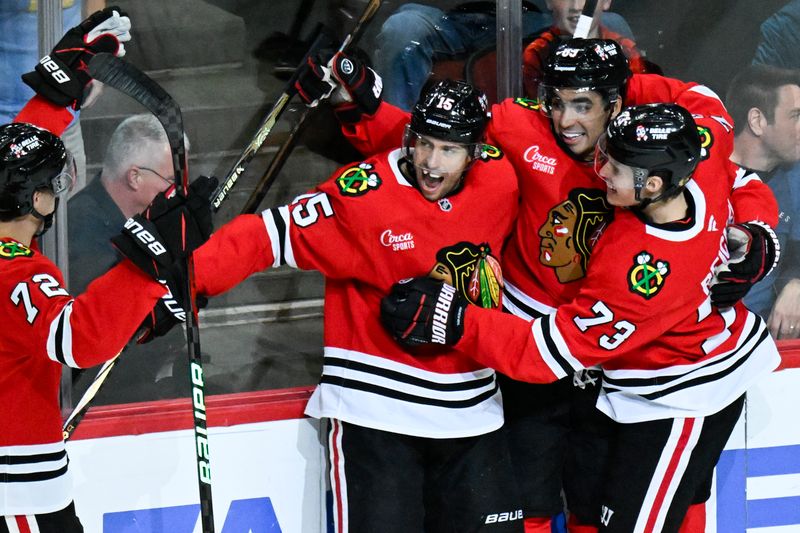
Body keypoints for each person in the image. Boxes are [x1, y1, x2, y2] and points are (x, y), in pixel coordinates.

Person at [295, 39, 780, 532]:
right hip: (537, 336)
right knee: (530, 497)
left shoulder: (651, 181)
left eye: (584, 103)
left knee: (609, 502)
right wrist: (360, 103)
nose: (566, 120)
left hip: (609, 355)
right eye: (557, 100)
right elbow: (440, 146)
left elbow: (736, 180)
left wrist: (756, 232)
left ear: (617, 103)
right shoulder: (531, 125)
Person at [191, 80, 523, 531]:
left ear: (476, 152)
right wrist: (185, 280)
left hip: (473, 414)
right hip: (379, 415)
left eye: (448, 150)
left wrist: (365, 102)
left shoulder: (499, 180)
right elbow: (266, 236)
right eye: (423, 143)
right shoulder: (360, 198)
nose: (430, 162)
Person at [67, 114, 193, 403]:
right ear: (134, 177)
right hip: (100, 400)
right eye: (173, 181)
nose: (181, 193)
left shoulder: (146, 222)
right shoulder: (81, 233)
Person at [372, 0, 635, 111]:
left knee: (612, 23)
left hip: (527, 17)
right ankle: (396, 146)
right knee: (402, 27)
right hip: (450, 17)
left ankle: (622, 142)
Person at [721, 65, 800, 339]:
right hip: (698, 345)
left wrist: (795, 284)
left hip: (763, 340)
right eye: (796, 116)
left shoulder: (796, 177)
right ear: (757, 121)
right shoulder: (698, 177)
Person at [521, 0, 651, 99]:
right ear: (549, 2)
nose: (577, 6)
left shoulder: (626, 52)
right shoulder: (538, 53)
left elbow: (637, 101)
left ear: (606, 2)